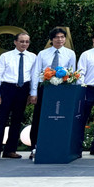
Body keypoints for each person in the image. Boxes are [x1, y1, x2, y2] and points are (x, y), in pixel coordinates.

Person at [29, 27, 76, 159]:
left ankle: (59, 146)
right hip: (45, 89)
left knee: (61, 117)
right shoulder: (42, 54)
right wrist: (33, 93)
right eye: (56, 37)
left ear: (65, 39)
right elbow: (36, 72)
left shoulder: (70, 53)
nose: (59, 40)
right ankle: (35, 147)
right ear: (51, 39)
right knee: (39, 118)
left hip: (63, 90)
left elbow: (72, 72)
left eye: (62, 37)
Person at [0, 33, 35, 161]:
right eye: (21, 41)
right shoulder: (5, 56)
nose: (24, 44)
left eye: (27, 41)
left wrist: (31, 93)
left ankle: (10, 150)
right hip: (7, 89)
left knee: (17, 120)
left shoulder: (33, 57)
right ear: (15, 42)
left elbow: (33, 76)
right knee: (1, 120)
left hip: (23, 89)